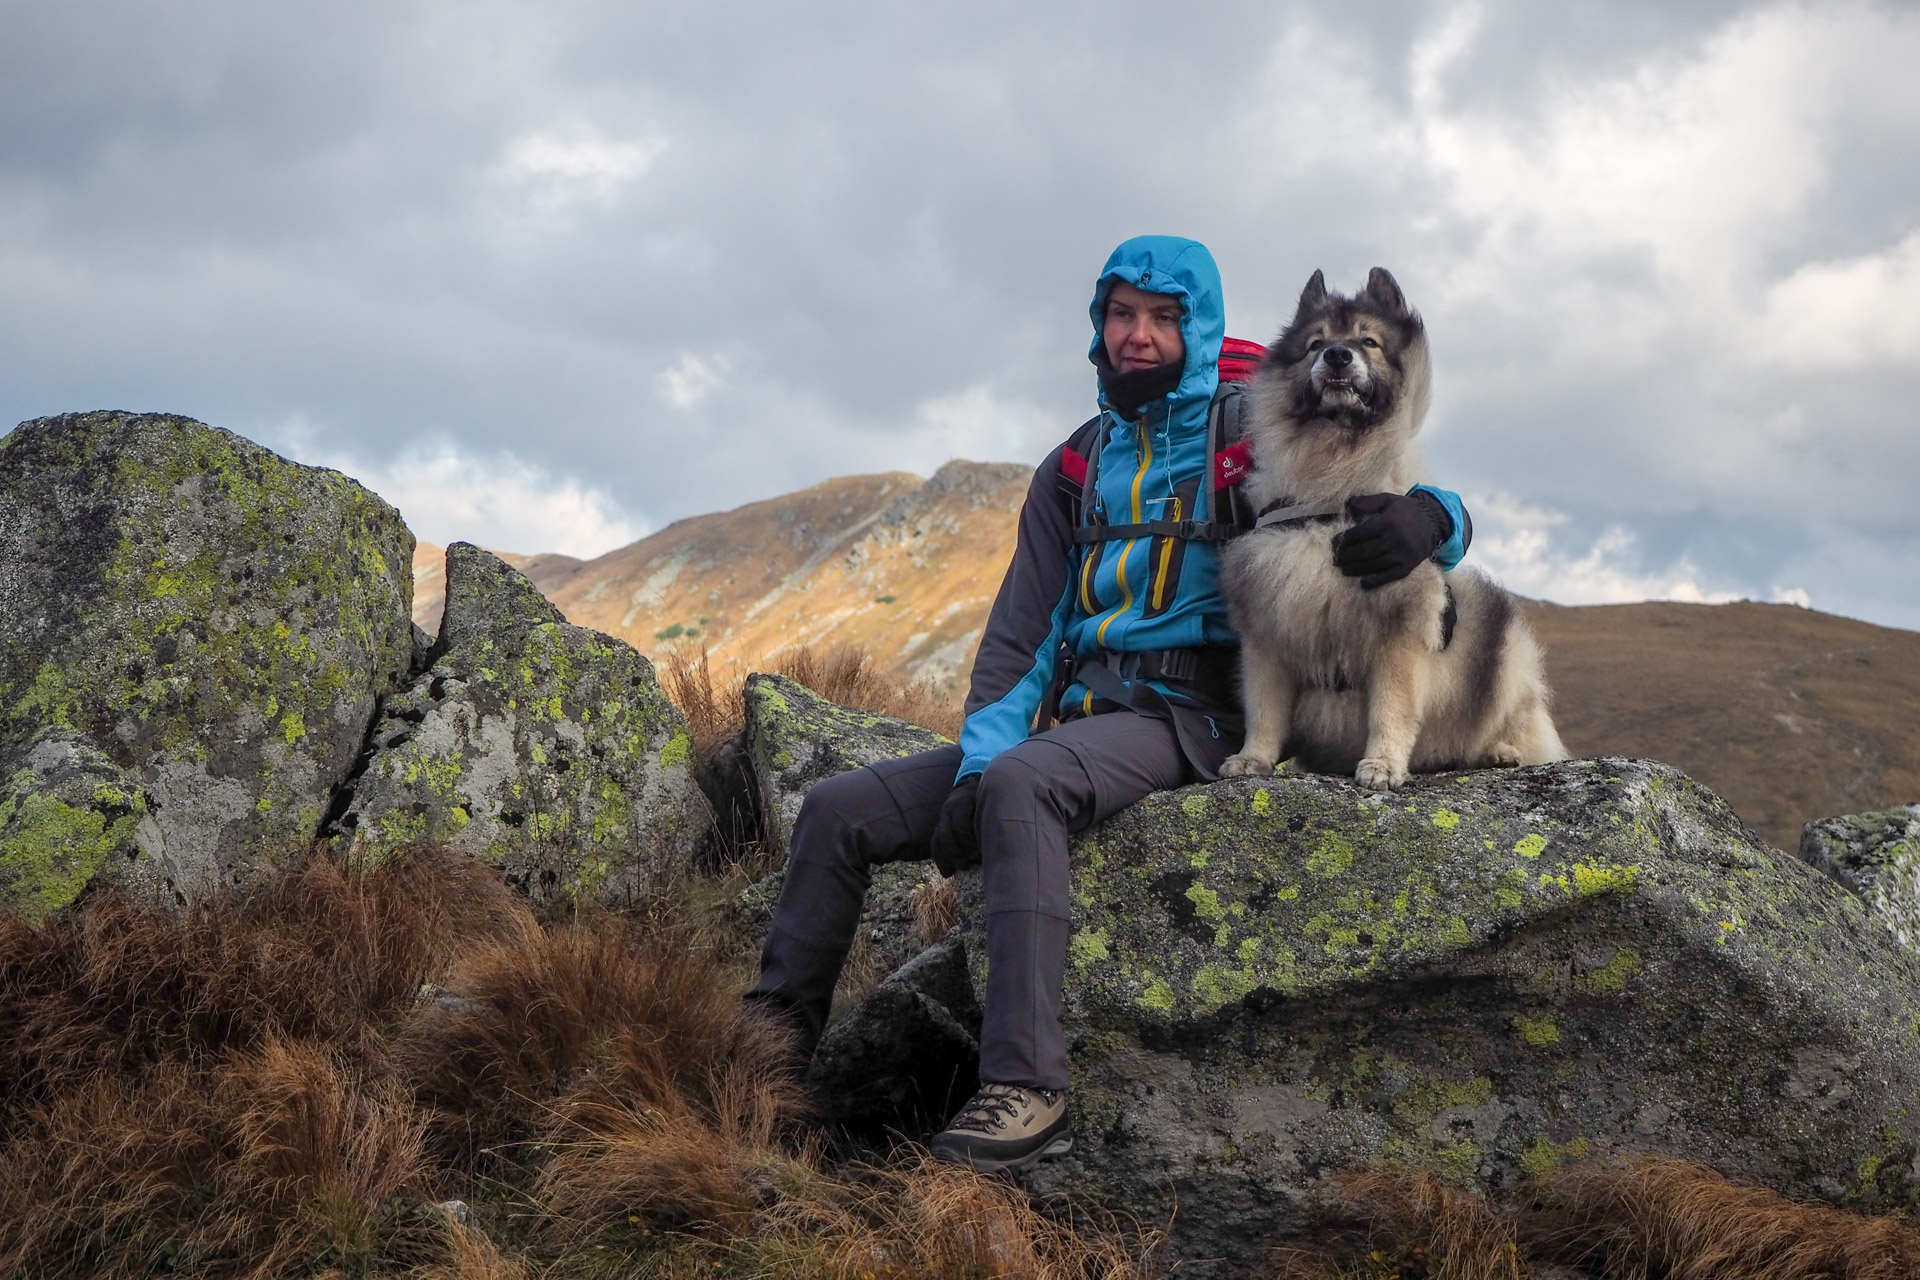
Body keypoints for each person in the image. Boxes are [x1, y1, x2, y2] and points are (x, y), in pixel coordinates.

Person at [744, 235, 1472, 1172]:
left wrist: (1437, 521)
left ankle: (1026, 1086)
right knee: (843, 810)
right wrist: (972, 764)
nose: (1138, 336)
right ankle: (765, 1061)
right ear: (1099, 325)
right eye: (1122, 315)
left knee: (1021, 788)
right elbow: (1020, 639)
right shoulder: (1075, 467)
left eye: (1163, 318)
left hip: (1190, 722)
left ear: (1197, 328)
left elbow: (1388, 453)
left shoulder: (1248, 433)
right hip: (1075, 722)